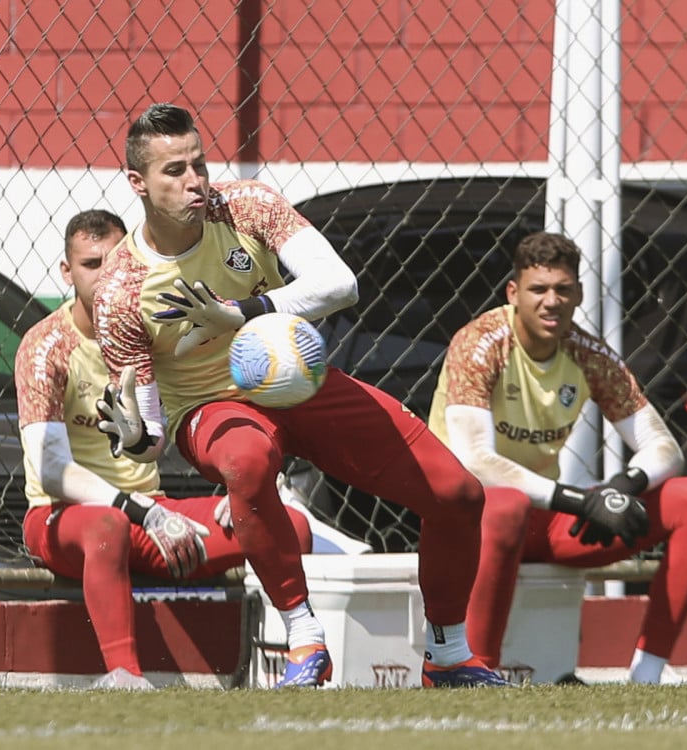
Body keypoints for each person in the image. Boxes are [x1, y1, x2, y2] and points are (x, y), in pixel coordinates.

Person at [90, 103, 509, 688]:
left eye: (199, 164)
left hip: (297, 380)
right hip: (211, 409)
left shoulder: (244, 204)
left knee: (458, 494)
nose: (194, 182)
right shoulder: (119, 289)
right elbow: (152, 436)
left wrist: (240, 313)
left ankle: (448, 656)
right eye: (174, 172)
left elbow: (341, 284)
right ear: (137, 183)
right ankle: (305, 639)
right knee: (247, 460)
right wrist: (135, 437)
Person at [14, 209, 312, 689]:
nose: (103, 276)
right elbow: (50, 470)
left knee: (288, 527)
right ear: (67, 274)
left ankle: (290, 662)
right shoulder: (46, 346)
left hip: (152, 518)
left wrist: (243, 489)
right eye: (91, 265)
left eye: (113, 262)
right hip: (64, 519)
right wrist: (141, 512)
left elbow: (206, 409)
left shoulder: (149, 334)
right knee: (106, 525)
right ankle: (123, 676)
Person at [427, 231, 687, 685]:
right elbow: (476, 462)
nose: (552, 302)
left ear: (579, 294)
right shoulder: (481, 342)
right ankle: (476, 675)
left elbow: (664, 448)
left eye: (563, 290)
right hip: (467, 521)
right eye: (539, 289)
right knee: (505, 504)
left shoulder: (587, 353)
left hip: (544, 516)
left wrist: (620, 489)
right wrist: (578, 500)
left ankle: (647, 676)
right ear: (514, 293)